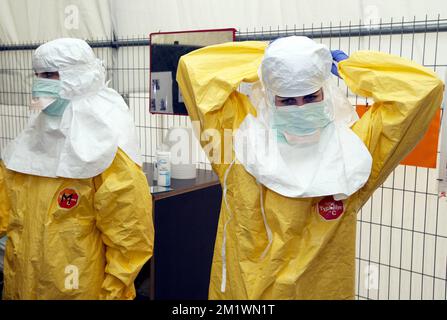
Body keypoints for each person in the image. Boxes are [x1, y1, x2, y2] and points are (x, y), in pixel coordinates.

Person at [176, 36, 444, 299]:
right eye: (288, 100)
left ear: (325, 93)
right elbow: (191, 70)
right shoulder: (239, 144)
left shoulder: (354, 151)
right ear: (269, 98)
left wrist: (349, 68)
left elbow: (425, 89)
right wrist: (270, 57)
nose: (300, 108)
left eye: (310, 96)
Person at [0, 38, 154, 300]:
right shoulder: (27, 145)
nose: (40, 83)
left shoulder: (105, 152)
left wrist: (114, 292)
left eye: (50, 75)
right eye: (38, 75)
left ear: (79, 78)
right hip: (21, 285)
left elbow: (129, 238)